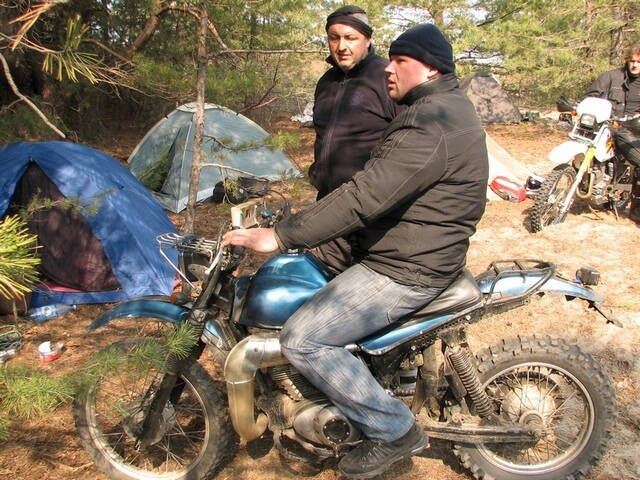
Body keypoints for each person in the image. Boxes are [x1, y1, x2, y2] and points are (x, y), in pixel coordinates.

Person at [223, 23, 488, 479]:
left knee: (303, 338)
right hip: (410, 249)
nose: (388, 69)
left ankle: (394, 431)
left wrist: (282, 236)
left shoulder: (432, 121)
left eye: (400, 61)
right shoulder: (439, 109)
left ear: (429, 68)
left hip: (408, 266)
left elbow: (366, 195)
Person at [310, 5, 405, 274]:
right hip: (330, 207)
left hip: (374, 213)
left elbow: (410, 142)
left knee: (366, 287)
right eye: (334, 37)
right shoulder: (326, 82)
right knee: (324, 282)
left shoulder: (386, 77)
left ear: (368, 39)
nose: (341, 46)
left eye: (350, 38)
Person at [585, 45, 640, 222]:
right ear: (627, 60)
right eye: (632, 61)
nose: (635, 65)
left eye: (639, 62)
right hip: (603, 125)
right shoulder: (611, 76)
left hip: (629, 130)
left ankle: (637, 211)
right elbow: (591, 96)